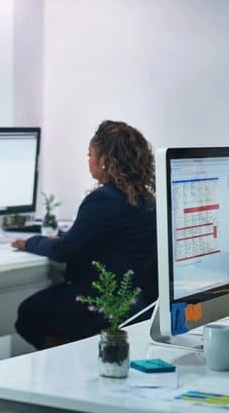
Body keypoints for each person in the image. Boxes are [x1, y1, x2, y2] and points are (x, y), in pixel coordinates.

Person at [11, 120, 157, 350]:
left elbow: (63, 250)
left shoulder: (103, 198)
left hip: (99, 299)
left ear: (106, 161)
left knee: (29, 313)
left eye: (90, 155)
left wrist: (30, 242)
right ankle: (72, 353)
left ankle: (64, 356)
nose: (88, 162)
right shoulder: (146, 199)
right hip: (134, 302)